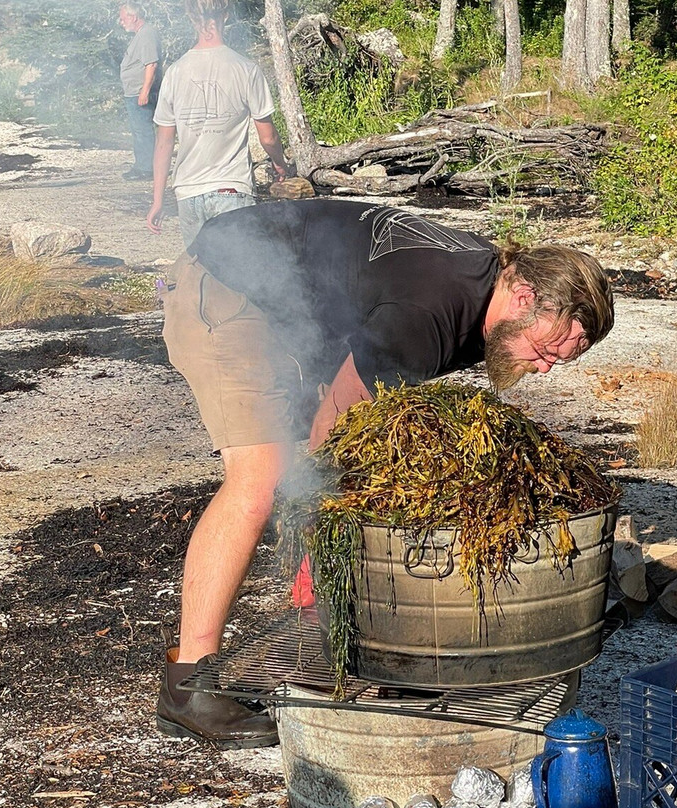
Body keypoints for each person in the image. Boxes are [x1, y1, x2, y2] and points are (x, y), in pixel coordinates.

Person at [154, 198, 615, 747]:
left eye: (559, 362)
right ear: (523, 296)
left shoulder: (484, 287)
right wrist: (314, 528)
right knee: (263, 480)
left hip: (289, 303)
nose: (542, 368)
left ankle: (325, 627)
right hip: (228, 284)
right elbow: (338, 427)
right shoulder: (430, 315)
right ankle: (188, 684)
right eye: (544, 351)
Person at [147, 0, 288, 247]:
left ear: (191, 19)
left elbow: (163, 143)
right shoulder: (246, 69)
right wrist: (279, 163)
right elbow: (268, 138)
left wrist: (157, 200)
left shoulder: (175, 73)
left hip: (188, 192)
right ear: (226, 15)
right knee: (239, 275)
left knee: (200, 275)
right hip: (232, 190)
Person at [118, 2, 162, 181]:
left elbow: (151, 64)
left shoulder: (147, 34)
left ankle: (147, 169)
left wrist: (144, 91)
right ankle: (141, 165)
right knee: (138, 130)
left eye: (122, 18)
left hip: (139, 92)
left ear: (133, 17)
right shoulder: (141, 35)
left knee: (143, 130)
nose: (121, 22)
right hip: (134, 92)